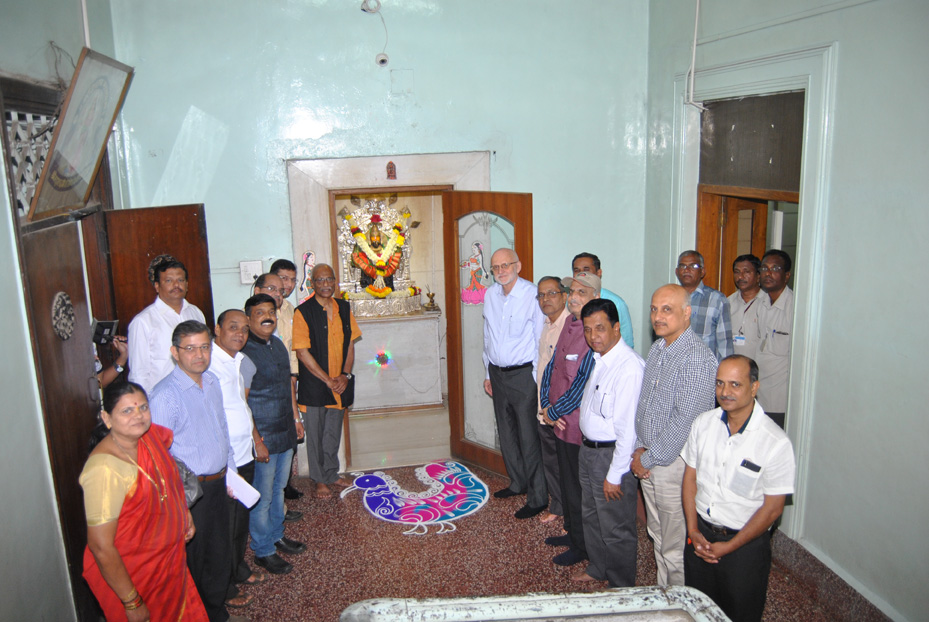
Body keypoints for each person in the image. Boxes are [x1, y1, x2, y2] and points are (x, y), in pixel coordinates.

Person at [80, 381, 208, 622]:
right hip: (136, 576)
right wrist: (132, 601)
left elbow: (169, 480)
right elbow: (100, 546)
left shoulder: (148, 439)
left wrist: (183, 511)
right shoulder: (105, 468)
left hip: (168, 565)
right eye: (127, 410)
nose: (138, 415)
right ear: (107, 418)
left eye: (143, 407)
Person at [683, 355, 796, 621]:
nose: (725, 392)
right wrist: (693, 530)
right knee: (697, 611)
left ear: (754, 387)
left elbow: (773, 509)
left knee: (740, 613)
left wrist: (729, 546)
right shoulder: (703, 424)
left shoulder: (775, 442)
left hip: (745, 548)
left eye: (735, 384)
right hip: (700, 538)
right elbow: (690, 479)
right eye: (720, 383)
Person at [150, 321, 238, 622]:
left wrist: (231, 471)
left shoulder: (211, 381)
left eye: (204, 347)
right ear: (175, 352)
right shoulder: (165, 396)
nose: (199, 355)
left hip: (218, 484)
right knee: (195, 560)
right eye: (190, 348)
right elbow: (160, 457)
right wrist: (178, 503)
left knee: (218, 553)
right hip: (189, 492)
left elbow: (222, 428)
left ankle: (215, 612)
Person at [631, 284, 717, 587]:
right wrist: (639, 448)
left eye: (667, 310)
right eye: (654, 309)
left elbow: (685, 421)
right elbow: (645, 405)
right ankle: (663, 594)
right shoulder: (658, 349)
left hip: (673, 465)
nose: (658, 316)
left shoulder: (697, 358)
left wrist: (647, 458)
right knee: (657, 533)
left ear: (687, 312)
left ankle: (680, 602)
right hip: (649, 458)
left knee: (675, 544)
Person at [571, 299, 644, 586]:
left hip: (612, 457)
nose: (593, 336)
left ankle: (621, 587)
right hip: (589, 452)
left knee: (616, 526)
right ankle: (598, 567)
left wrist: (615, 475)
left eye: (600, 328)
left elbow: (628, 431)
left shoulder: (629, 367)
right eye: (588, 329)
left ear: (616, 328)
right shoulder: (600, 359)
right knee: (591, 516)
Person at [538, 272, 600, 568]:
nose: (574, 297)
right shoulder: (569, 323)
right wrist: (546, 404)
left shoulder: (592, 333)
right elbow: (552, 366)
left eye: (581, 292)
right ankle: (572, 533)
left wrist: (554, 412)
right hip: (558, 421)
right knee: (566, 483)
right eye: (572, 291)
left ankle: (583, 545)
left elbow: (581, 384)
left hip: (575, 426)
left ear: (595, 298)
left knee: (578, 490)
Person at [242, 294, 307, 575]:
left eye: (271, 311)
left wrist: (296, 418)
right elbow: (242, 402)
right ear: (248, 319)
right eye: (260, 313)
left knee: (279, 489)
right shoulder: (244, 353)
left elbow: (288, 387)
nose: (267, 317)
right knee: (263, 495)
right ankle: (263, 550)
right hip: (264, 434)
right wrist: (256, 440)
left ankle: (277, 535)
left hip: (285, 429)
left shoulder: (278, 345)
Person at [482, 248, 548, 519]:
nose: (500, 271)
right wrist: (488, 372)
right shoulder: (490, 295)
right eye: (495, 267)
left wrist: (536, 379)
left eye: (505, 265)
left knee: (528, 437)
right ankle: (518, 482)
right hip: (497, 374)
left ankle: (538, 497)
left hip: (523, 376)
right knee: (507, 433)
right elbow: (487, 336)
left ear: (518, 266)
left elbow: (539, 339)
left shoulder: (532, 295)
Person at [209, 309, 265, 607]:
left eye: (244, 329)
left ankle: (238, 568)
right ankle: (225, 588)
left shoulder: (238, 360)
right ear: (217, 330)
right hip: (225, 459)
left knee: (240, 519)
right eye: (233, 328)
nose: (240, 334)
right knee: (225, 526)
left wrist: (255, 439)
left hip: (244, 452)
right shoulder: (209, 363)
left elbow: (241, 406)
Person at [293, 264, 361, 499]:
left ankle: (332, 473)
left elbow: (350, 344)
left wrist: (345, 375)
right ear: (312, 283)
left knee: (333, 431)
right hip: (315, 385)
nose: (325, 284)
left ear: (335, 281)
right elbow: (302, 352)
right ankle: (319, 479)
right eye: (320, 280)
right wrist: (327, 380)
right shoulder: (303, 312)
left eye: (329, 279)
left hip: (339, 383)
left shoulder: (344, 308)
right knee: (315, 434)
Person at [128, 256, 206, 394]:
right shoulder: (143, 321)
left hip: (196, 393)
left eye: (180, 280)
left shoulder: (195, 313)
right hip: (163, 397)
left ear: (187, 284)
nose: (176, 285)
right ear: (157, 286)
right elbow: (138, 373)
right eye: (169, 281)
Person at [535, 276, 569, 524]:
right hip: (543, 406)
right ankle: (558, 505)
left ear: (564, 296)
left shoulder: (570, 326)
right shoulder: (547, 324)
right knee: (551, 461)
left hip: (560, 411)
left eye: (552, 293)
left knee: (564, 464)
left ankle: (570, 515)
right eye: (541, 295)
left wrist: (556, 409)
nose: (545, 299)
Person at [269, 259, 303, 501]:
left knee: (292, 428)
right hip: (270, 382)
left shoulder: (291, 309)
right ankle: (273, 488)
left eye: (292, 280)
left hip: (292, 376)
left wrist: (295, 375)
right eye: (283, 279)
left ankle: (285, 482)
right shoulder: (259, 311)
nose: (288, 284)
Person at [755, 250, 794, 429]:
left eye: (775, 269)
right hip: (758, 395)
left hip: (780, 400)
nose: (768, 273)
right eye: (764, 268)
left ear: (787, 276)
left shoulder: (794, 307)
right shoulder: (761, 303)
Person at [675, 250, 733, 361]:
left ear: (702, 272)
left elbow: (725, 344)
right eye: (683, 266)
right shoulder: (669, 298)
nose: (687, 270)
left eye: (693, 266)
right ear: (677, 272)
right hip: (675, 366)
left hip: (705, 367)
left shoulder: (717, 300)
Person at [571, 252, 634, 348]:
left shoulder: (616, 303)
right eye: (577, 270)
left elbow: (627, 342)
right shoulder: (571, 302)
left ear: (599, 273)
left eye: (586, 270)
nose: (581, 274)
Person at [728, 255, 767, 359]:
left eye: (746, 272)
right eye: (737, 272)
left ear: (758, 276)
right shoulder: (728, 303)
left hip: (760, 365)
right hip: (734, 364)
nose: (740, 277)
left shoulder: (767, 303)